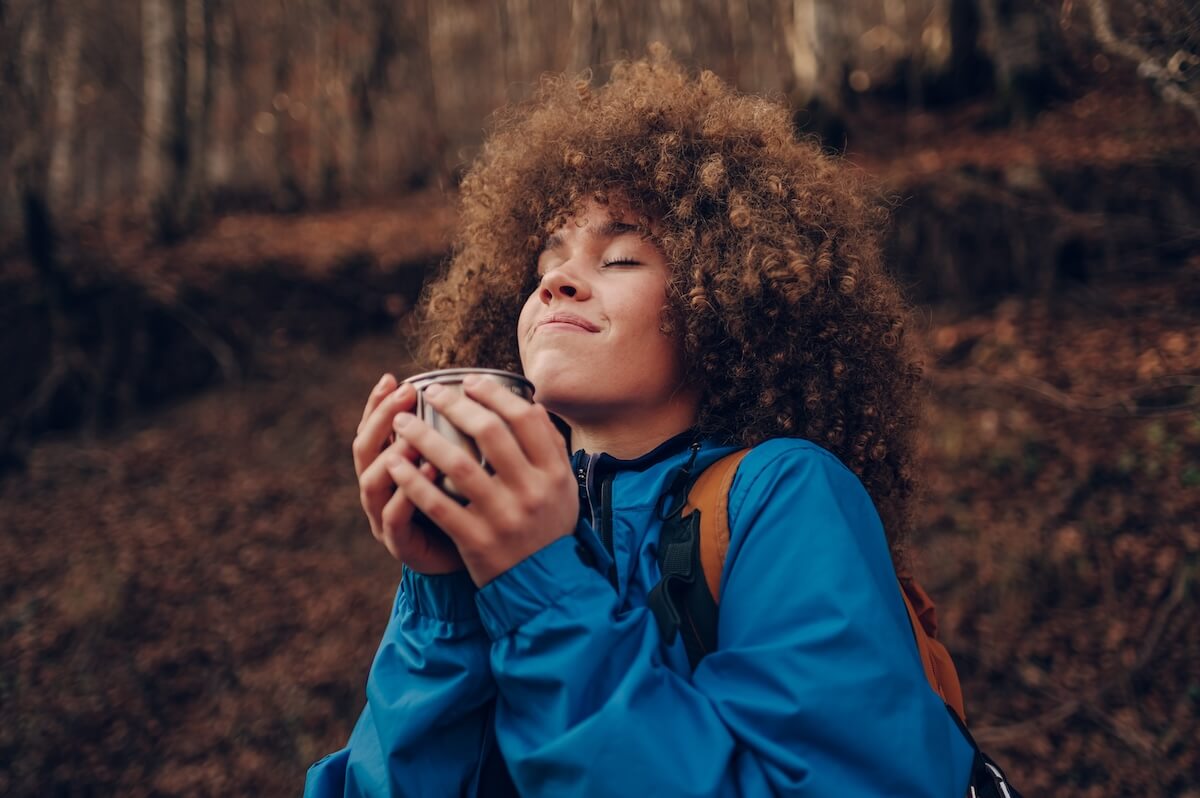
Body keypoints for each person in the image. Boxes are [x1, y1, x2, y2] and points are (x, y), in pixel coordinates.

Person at [306, 47, 975, 797]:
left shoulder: (784, 494)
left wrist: (539, 590)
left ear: (725, 298)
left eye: (619, 258)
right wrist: (444, 596)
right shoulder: (499, 552)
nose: (558, 280)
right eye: (544, 266)